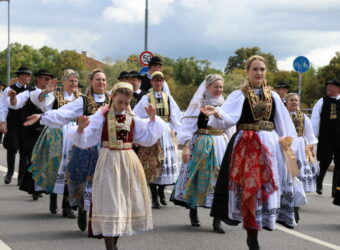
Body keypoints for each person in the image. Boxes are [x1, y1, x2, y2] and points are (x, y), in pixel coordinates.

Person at [203, 56, 299, 250]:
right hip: (247, 146)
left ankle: (262, 223)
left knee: (267, 186)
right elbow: (229, 117)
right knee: (249, 188)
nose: (259, 73)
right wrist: (218, 112)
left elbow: (284, 124)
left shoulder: (273, 97)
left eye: (262, 69)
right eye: (255, 69)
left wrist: (289, 147)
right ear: (247, 71)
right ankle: (251, 232)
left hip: (270, 145)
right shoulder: (239, 95)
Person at [67, 82, 165, 250]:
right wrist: (81, 129)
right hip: (108, 160)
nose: (124, 106)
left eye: (127, 103)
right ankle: (110, 247)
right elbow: (87, 138)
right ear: (112, 98)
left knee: (123, 203)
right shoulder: (102, 116)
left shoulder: (133, 118)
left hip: (128, 161)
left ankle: (115, 244)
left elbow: (147, 137)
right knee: (110, 203)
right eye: (120, 102)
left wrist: (152, 119)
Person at [24, 69, 110, 230]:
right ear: (91, 82)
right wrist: (41, 117)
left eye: (104, 80)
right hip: (83, 145)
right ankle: (82, 209)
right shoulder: (83, 101)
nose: (101, 83)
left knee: (104, 183)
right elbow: (63, 113)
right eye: (98, 79)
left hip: (106, 148)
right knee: (81, 179)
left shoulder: (112, 100)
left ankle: (99, 216)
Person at [171, 74, 235, 234]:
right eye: (216, 87)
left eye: (221, 87)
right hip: (201, 144)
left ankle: (217, 221)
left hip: (220, 143)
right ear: (207, 88)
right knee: (197, 177)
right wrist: (186, 146)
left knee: (219, 180)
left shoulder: (224, 105)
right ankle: (193, 210)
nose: (219, 90)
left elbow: (229, 127)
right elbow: (187, 127)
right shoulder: (198, 105)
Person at [26, 69, 82, 218]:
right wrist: (45, 92)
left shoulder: (81, 97)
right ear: (63, 82)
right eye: (71, 81)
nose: (74, 84)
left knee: (71, 168)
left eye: (75, 81)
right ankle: (53, 196)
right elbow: (43, 105)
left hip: (74, 133)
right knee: (56, 167)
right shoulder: (54, 95)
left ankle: (67, 206)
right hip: (56, 133)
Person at [133, 71, 182, 209]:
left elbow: (175, 116)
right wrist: (142, 130)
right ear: (152, 82)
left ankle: (161, 192)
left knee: (165, 163)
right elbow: (137, 114)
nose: (158, 83)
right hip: (152, 133)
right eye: (155, 80)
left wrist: (177, 130)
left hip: (165, 133)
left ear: (163, 82)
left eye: (160, 80)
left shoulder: (168, 98)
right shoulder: (146, 98)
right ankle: (154, 196)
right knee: (153, 163)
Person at [8, 69, 54, 200]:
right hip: (30, 131)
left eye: (48, 79)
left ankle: (38, 187)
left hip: (46, 131)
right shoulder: (30, 93)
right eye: (45, 79)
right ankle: (33, 187)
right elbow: (15, 104)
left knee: (44, 160)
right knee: (33, 159)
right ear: (38, 79)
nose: (47, 81)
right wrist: (12, 98)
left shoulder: (54, 95)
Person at [0, 66, 32, 185]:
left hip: (26, 124)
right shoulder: (9, 89)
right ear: (20, 76)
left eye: (30, 75)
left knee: (24, 150)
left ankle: (21, 177)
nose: (29, 78)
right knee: (12, 148)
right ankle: (9, 172)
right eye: (26, 75)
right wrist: (2, 122)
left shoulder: (31, 89)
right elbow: (2, 106)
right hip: (13, 123)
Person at [311, 79, 340, 197]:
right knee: (325, 161)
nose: (329, 88)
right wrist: (312, 137)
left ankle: (335, 190)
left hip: (339, 138)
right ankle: (319, 183)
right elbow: (315, 119)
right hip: (326, 136)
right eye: (328, 86)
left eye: (332, 86)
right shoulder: (322, 101)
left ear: (338, 88)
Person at [286, 93, 319, 192]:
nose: (294, 102)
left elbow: (309, 133)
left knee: (299, 168)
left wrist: (310, 144)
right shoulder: (282, 115)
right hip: (287, 144)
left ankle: (298, 195)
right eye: (291, 100)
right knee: (287, 169)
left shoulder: (303, 117)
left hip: (300, 146)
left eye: (296, 100)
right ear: (287, 102)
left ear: (299, 102)